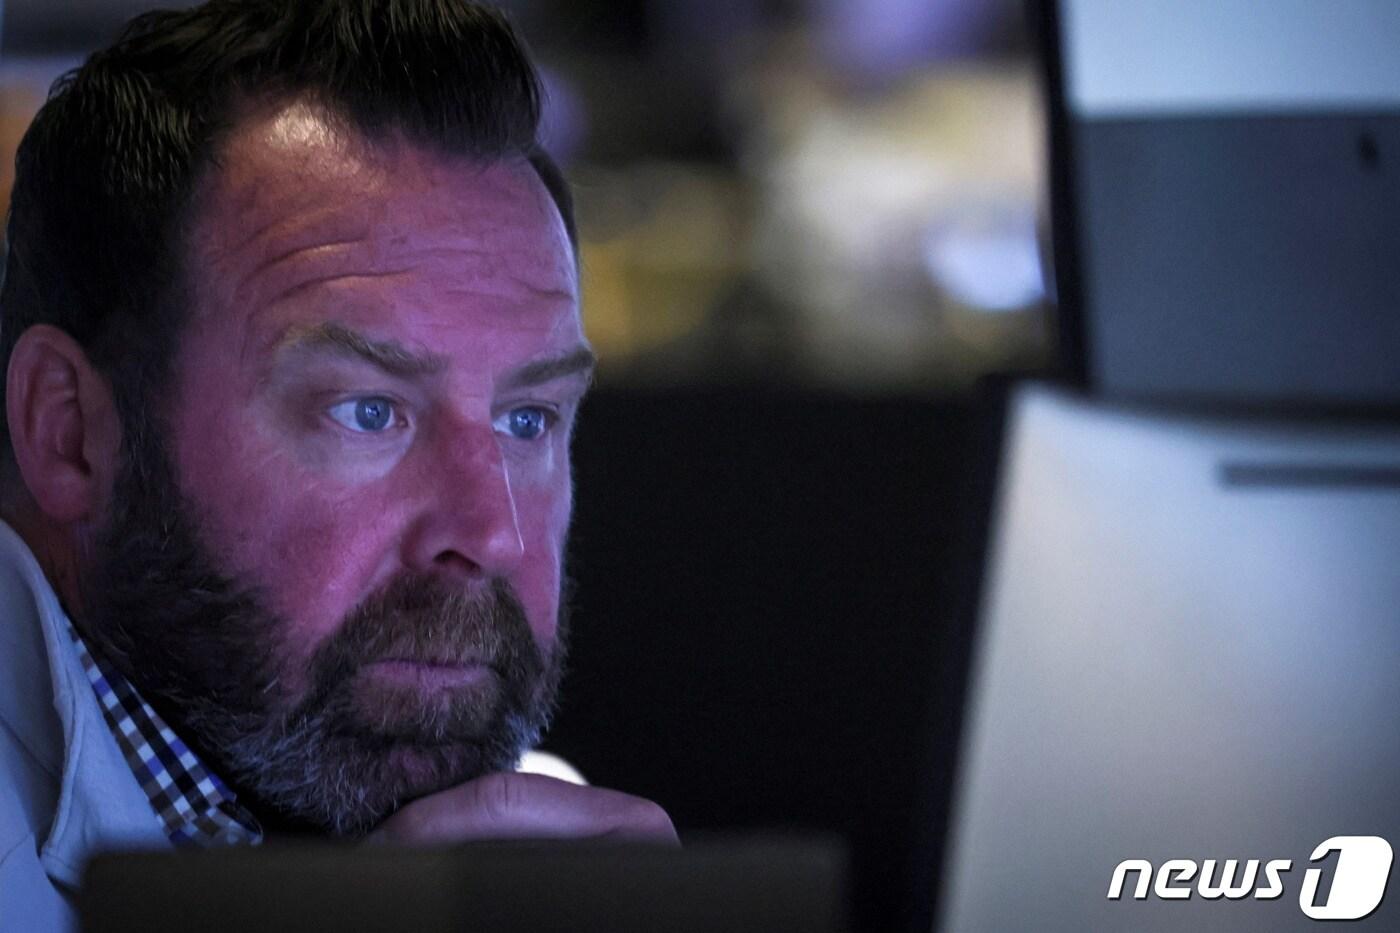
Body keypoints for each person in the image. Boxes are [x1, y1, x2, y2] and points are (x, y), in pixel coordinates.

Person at [0, 1, 676, 927]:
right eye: (369, 411)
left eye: (527, 418)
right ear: (69, 430)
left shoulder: (513, 840)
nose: (487, 533)